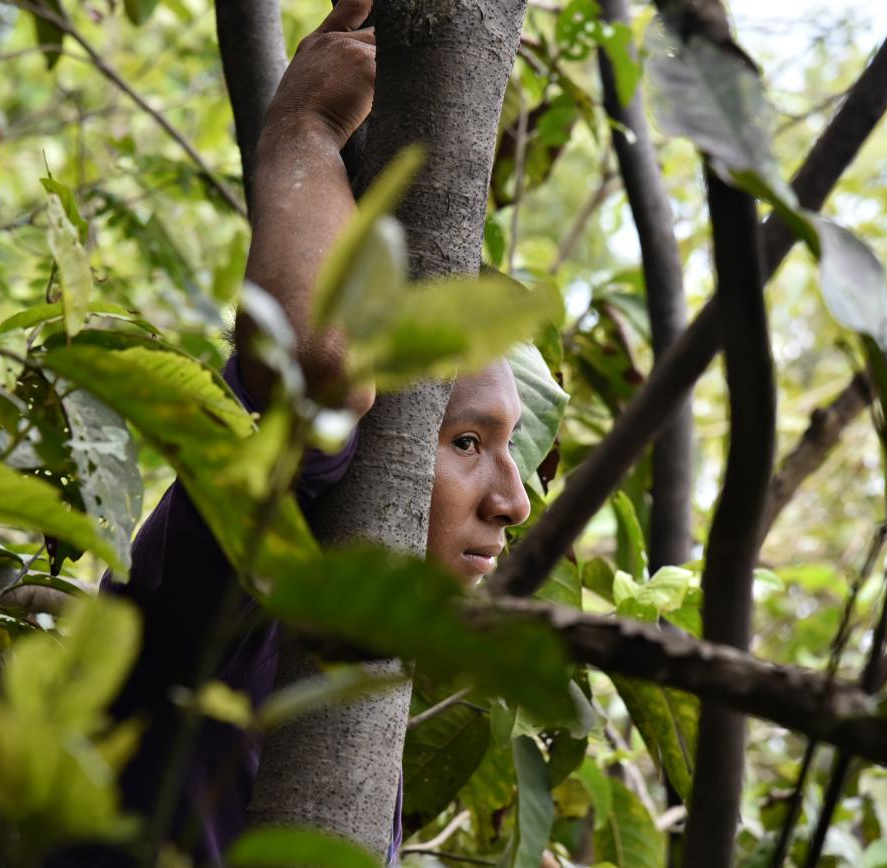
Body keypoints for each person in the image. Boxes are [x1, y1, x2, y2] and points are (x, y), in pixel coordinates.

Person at [66, 0, 532, 863]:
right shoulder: (226, 564)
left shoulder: (356, 702)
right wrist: (304, 128)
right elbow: (316, 364)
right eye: (467, 443)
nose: (515, 501)